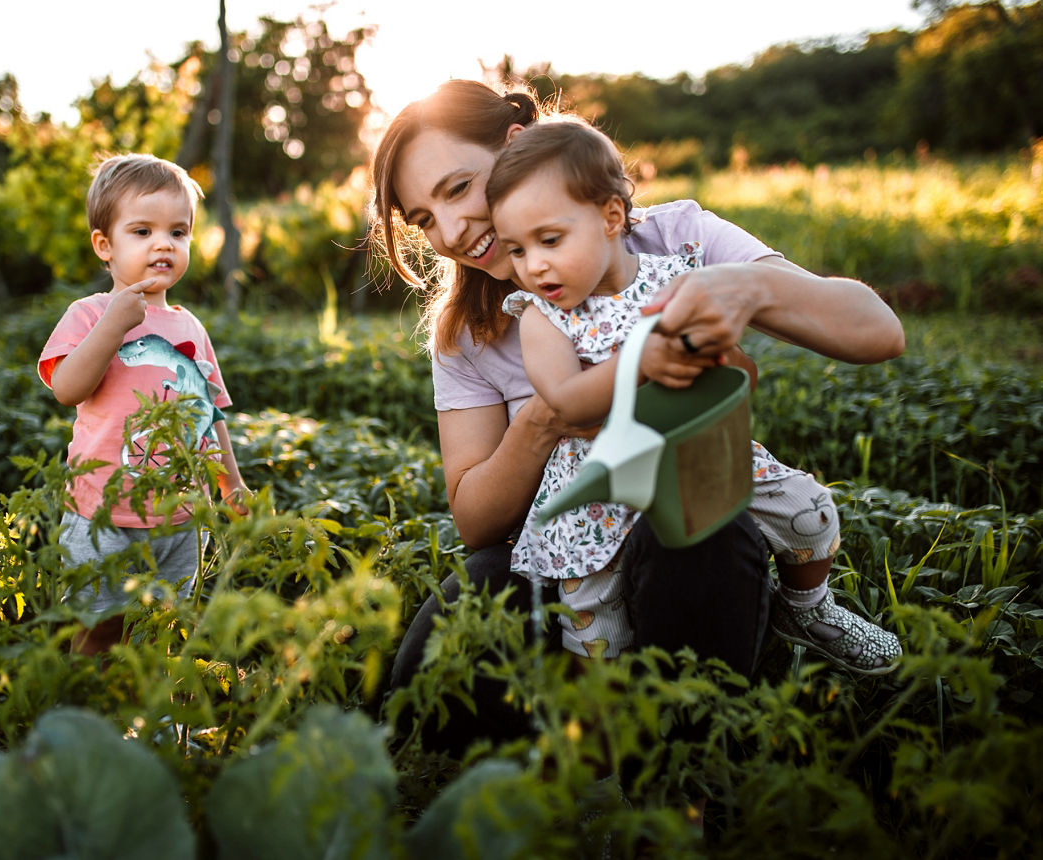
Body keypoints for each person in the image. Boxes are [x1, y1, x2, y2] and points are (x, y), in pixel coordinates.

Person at [370, 80, 906, 746]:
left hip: (675, 526)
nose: (449, 231)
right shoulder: (469, 331)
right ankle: (587, 733)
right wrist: (558, 410)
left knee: (700, 532)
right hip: (558, 555)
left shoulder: (671, 239)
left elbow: (878, 332)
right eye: (421, 218)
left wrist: (749, 285)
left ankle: (688, 764)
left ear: (515, 148)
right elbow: (477, 518)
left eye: (456, 189)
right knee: (426, 691)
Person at [484, 117, 900, 673]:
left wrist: (723, 363)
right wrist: (637, 360)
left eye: (550, 240)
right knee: (594, 628)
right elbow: (563, 400)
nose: (533, 265)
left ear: (611, 217)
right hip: (605, 486)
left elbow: (734, 369)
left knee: (811, 515)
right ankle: (606, 729)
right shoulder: (543, 318)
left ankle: (805, 607)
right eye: (516, 250)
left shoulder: (679, 277)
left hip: (700, 454)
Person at [38, 153, 249, 656]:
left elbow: (209, 414)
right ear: (104, 246)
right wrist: (114, 323)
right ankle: (86, 725)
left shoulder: (190, 328)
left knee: (164, 635)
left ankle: (157, 726)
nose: (163, 243)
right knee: (96, 630)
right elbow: (67, 387)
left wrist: (232, 482)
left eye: (178, 232)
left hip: (180, 519)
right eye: (142, 231)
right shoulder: (89, 314)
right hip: (103, 517)